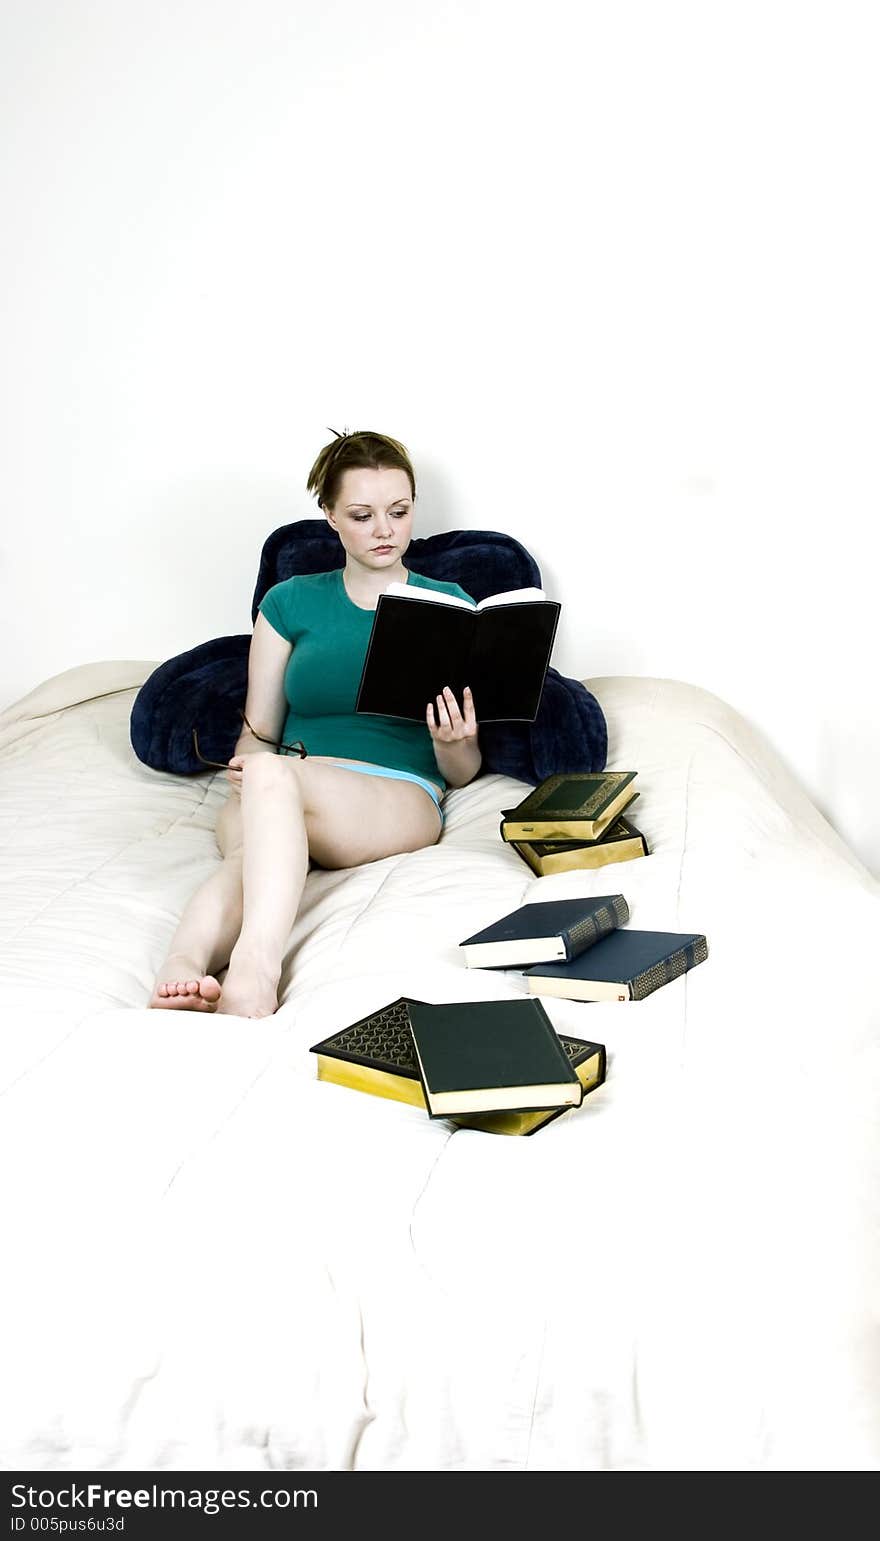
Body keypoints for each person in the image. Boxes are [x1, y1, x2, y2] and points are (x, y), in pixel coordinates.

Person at [150, 430, 481, 1018]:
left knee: (273, 789)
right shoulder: (288, 602)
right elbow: (259, 729)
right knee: (253, 840)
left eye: (399, 512)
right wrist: (245, 764)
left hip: (395, 793)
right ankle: (182, 968)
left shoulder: (446, 602)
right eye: (362, 514)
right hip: (287, 781)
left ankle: (255, 969)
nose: (384, 530)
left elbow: (462, 771)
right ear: (330, 516)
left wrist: (455, 742)